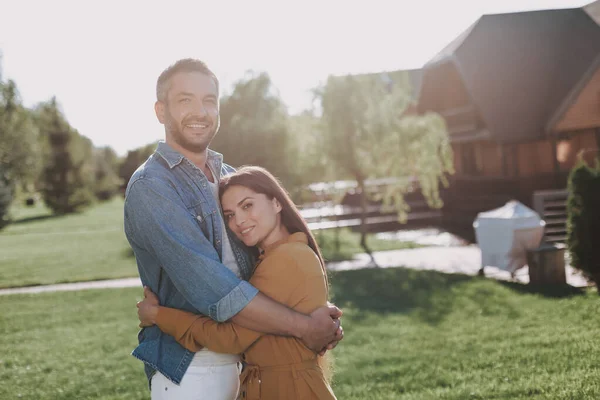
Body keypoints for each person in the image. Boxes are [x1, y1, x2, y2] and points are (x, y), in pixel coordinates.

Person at [124, 58, 343, 399]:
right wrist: (306, 326)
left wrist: (312, 307)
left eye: (209, 100)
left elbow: (269, 269)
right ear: (161, 111)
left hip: (248, 367)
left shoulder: (231, 179)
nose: (200, 111)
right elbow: (216, 291)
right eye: (185, 100)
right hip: (191, 369)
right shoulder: (152, 187)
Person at [138, 166, 338, 399]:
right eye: (230, 215)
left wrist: (157, 315)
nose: (239, 221)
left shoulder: (286, 258)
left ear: (276, 203)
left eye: (247, 205)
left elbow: (229, 337)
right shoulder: (279, 256)